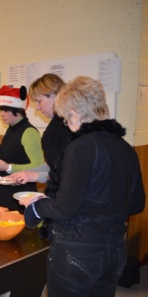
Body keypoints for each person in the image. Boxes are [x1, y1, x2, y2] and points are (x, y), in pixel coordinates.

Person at [19, 76, 145, 297]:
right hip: (115, 250)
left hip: (78, 251)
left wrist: (37, 206)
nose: (67, 125)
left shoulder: (80, 146)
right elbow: (136, 204)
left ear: (75, 115)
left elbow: (64, 208)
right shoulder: (127, 149)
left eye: (67, 121)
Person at [0, 85, 44, 210]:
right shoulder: (12, 128)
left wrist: (8, 167)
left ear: (18, 111)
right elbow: (10, 155)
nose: (2, 114)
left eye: (6, 110)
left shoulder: (29, 132)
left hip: (20, 195)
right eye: (0, 110)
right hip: (3, 192)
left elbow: (39, 166)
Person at [8, 74, 71, 184]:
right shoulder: (55, 124)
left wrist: (35, 176)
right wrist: (24, 174)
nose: (37, 107)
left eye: (39, 101)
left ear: (54, 96)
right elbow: (53, 165)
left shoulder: (70, 126)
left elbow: (70, 173)